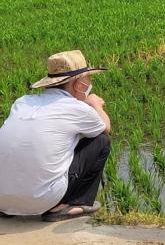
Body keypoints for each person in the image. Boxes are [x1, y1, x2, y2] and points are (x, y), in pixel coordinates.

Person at [0, 50, 111, 221]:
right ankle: (70, 205)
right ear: (78, 83)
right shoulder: (76, 108)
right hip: (42, 200)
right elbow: (105, 128)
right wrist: (96, 105)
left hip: (2, 199)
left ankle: (10, 205)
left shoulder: (22, 102)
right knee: (101, 141)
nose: (90, 83)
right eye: (88, 79)